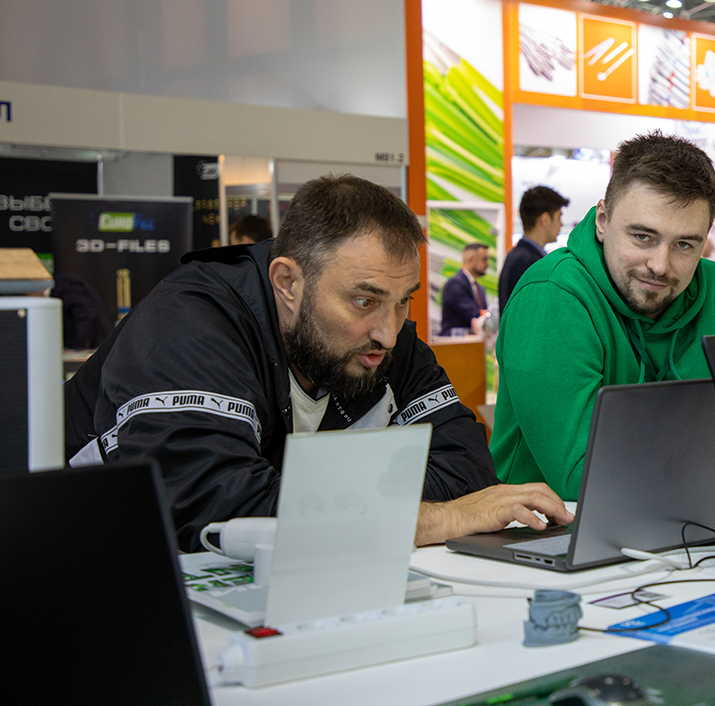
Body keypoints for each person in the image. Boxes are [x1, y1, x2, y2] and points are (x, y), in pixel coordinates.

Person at [63, 175, 570, 552]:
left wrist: (307, 503)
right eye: (363, 301)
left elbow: (467, 469)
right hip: (86, 570)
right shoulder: (190, 324)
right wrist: (436, 519)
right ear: (287, 282)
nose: (389, 332)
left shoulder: (382, 335)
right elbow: (218, 512)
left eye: (404, 301)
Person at [490, 131, 715, 500]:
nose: (660, 265)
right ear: (603, 220)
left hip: (712, 523)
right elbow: (585, 476)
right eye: (643, 237)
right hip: (548, 526)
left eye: (684, 244)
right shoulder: (552, 293)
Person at [497, 185, 569, 318]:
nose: (561, 224)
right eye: (559, 217)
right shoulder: (529, 262)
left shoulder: (518, 256)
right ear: (545, 219)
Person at [439, 242, 490, 336]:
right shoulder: (454, 285)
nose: (488, 264)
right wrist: (490, 316)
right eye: (484, 259)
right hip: (454, 342)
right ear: (470, 259)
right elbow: (474, 314)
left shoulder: (479, 288)